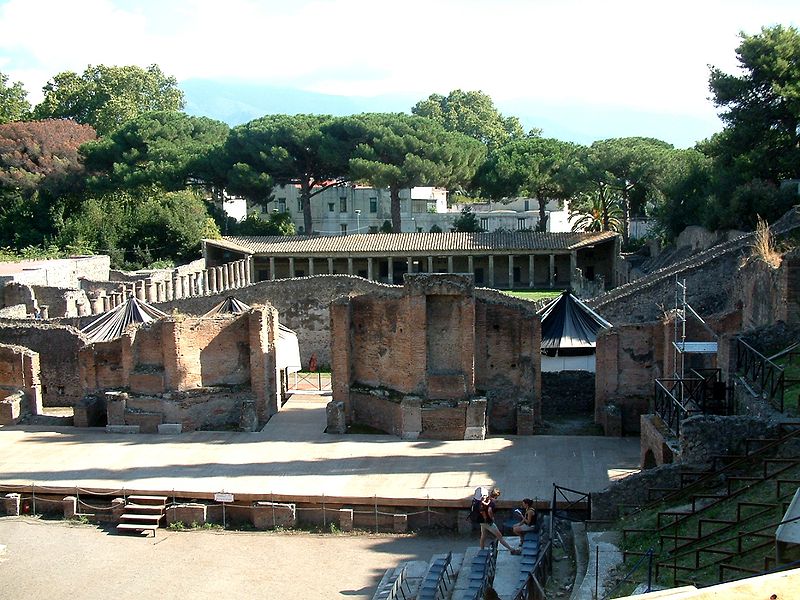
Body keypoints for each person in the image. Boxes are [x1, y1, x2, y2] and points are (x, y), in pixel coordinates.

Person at [479, 488, 521, 555]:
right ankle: (512, 550)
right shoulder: (492, 503)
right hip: (488, 522)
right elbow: (489, 510)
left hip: (482, 521)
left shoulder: (485, 499)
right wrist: (492, 517)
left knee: (483, 535)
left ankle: (481, 549)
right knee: (500, 537)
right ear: (496, 496)